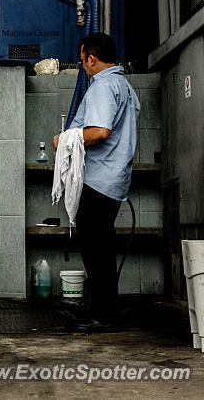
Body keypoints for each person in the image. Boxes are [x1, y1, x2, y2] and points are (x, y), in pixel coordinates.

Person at [53, 32, 140, 331]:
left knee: (95, 248)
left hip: (100, 179)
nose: (83, 67)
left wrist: (65, 139)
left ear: (91, 58)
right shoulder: (125, 87)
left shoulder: (104, 86)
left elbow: (100, 131)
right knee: (101, 247)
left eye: (83, 60)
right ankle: (105, 311)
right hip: (115, 179)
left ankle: (104, 316)